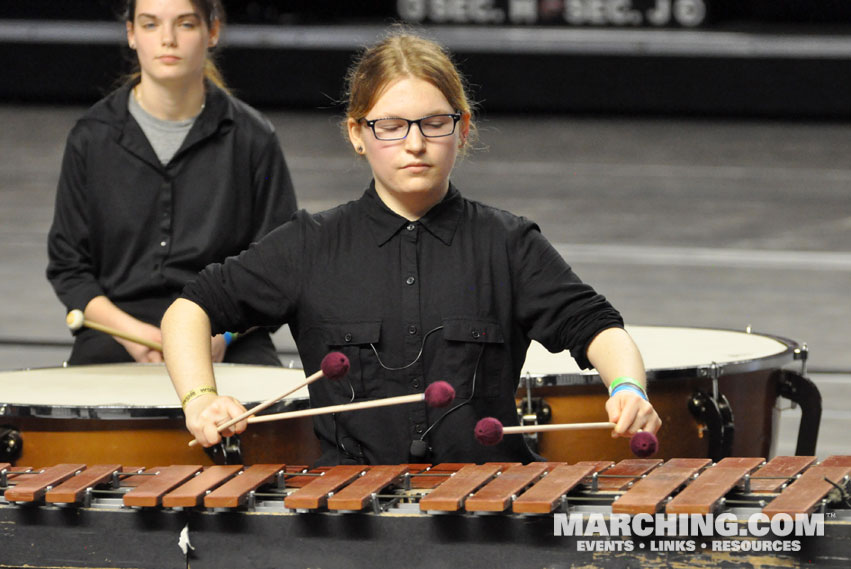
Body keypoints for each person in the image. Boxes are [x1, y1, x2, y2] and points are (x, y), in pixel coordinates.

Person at [162, 31, 662, 466]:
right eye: (392, 125)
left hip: (489, 509)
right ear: (358, 133)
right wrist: (201, 399)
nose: (415, 143)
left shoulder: (507, 245)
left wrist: (627, 388)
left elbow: (598, 328)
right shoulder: (309, 245)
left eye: (434, 123)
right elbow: (189, 311)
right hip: (350, 515)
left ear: (463, 129)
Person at [47, 0, 296, 366]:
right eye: (150, 25)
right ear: (131, 34)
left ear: (211, 32)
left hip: (226, 328)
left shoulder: (253, 138)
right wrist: (130, 334)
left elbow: (278, 266)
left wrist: (223, 334)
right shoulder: (91, 138)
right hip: (119, 331)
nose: (168, 39)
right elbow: (69, 267)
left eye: (185, 24)